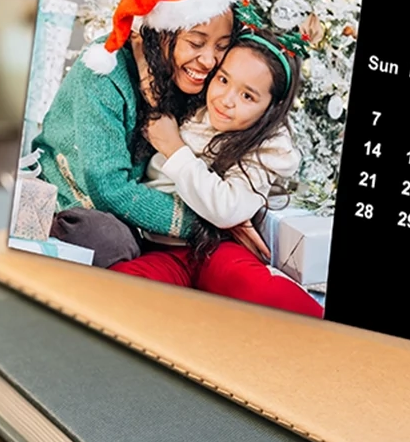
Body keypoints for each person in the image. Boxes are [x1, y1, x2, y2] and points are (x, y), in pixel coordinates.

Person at [33, 0, 268, 259]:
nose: (209, 60)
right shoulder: (103, 72)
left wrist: (226, 208)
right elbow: (108, 189)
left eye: (221, 46)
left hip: (141, 205)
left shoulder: (200, 78)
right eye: (196, 43)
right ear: (161, 34)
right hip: (76, 201)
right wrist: (207, 226)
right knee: (111, 242)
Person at [108, 26, 323, 318]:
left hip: (216, 248)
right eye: (223, 79)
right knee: (117, 285)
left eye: (248, 96)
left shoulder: (266, 147)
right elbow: (152, 90)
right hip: (161, 248)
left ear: (270, 109)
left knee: (264, 292)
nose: (226, 99)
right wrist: (138, 49)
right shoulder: (194, 104)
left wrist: (174, 148)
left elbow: (227, 209)